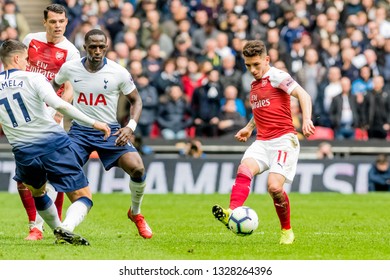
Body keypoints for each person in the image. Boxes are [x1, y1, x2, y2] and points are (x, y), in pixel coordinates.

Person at [0, 39, 110, 245]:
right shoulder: (33, 78)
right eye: (25, 59)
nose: (27, 62)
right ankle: (66, 228)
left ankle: (57, 229)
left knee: (37, 191)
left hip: (23, 152)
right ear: (16, 58)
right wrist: (94, 122)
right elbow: (60, 105)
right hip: (52, 144)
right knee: (83, 195)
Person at [212, 40, 315, 245]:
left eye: (257, 64)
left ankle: (286, 230)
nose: (252, 70)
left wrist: (306, 119)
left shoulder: (277, 76)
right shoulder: (254, 85)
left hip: (284, 140)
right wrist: (249, 128)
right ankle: (231, 212)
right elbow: (260, 110)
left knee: (274, 188)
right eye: (248, 65)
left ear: (267, 59)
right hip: (262, 141)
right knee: (244, 169)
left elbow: (303, 94)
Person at [54, 29, 153, 239]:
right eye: (93, 46)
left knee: (137, 168)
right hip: (79, 132)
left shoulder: (118, 72)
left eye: (101, 46)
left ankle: (135, 213)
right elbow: (54, 87)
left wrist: (130, 126)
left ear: (106, 47)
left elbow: (136, 100)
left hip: (110, 131)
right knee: (61, 170)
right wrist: (51, 111)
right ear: (85, 47)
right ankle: (61, 225)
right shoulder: (70, 68)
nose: (97, 51)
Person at [18, 3, 81, 241]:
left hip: (52, 117)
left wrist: (58, 113)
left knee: (54, 173)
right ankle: (34, 223)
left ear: (66, 22)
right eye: (53, 21)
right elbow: (19, 68)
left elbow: (70, 89)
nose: (57, 26)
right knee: (24, 176)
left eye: (61, 21)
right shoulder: (31, 40)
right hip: (27, 113)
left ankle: (42, 226)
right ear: (44, 22)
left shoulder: (71, 51)